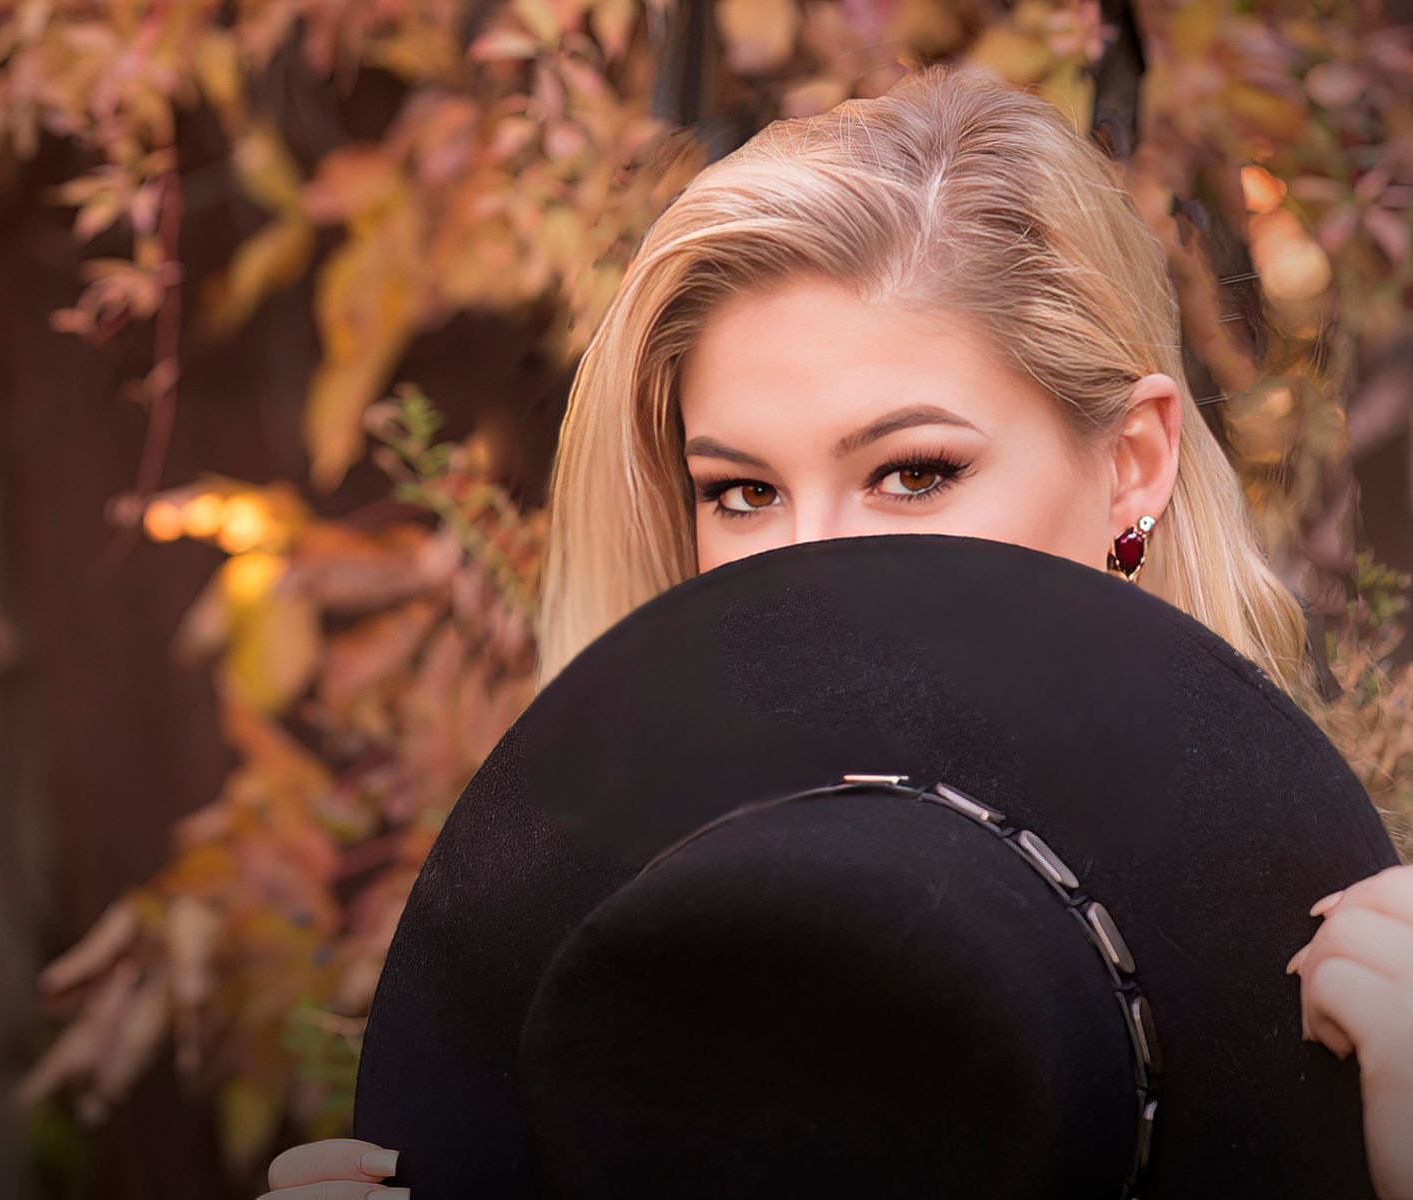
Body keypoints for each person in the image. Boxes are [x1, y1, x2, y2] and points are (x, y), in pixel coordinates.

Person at [255, 63, 1413, 1200]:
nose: (816, 566)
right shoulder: (617, 981)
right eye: (741, 493)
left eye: (914, 472)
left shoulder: (1377, 990)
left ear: (1131, 462)